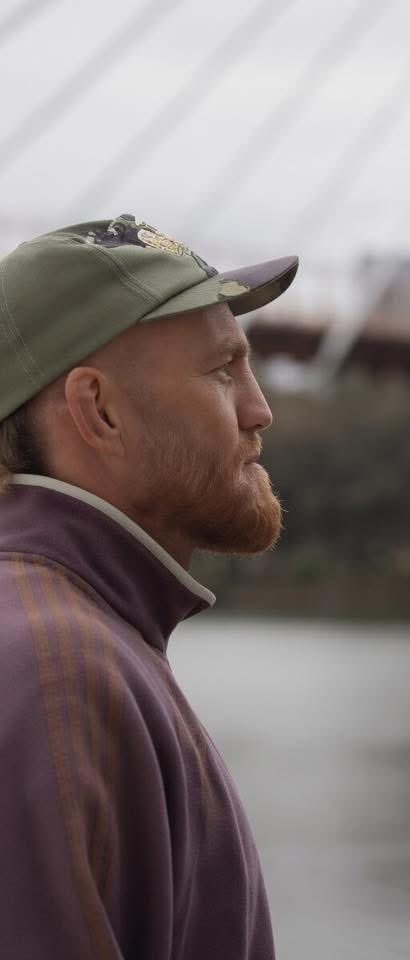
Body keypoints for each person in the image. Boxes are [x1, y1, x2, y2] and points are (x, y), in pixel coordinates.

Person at [0, 213, 298, 959]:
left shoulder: (73, 632)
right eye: (222, 370)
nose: (260, 410)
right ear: (97, 408)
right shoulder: (56, 666)